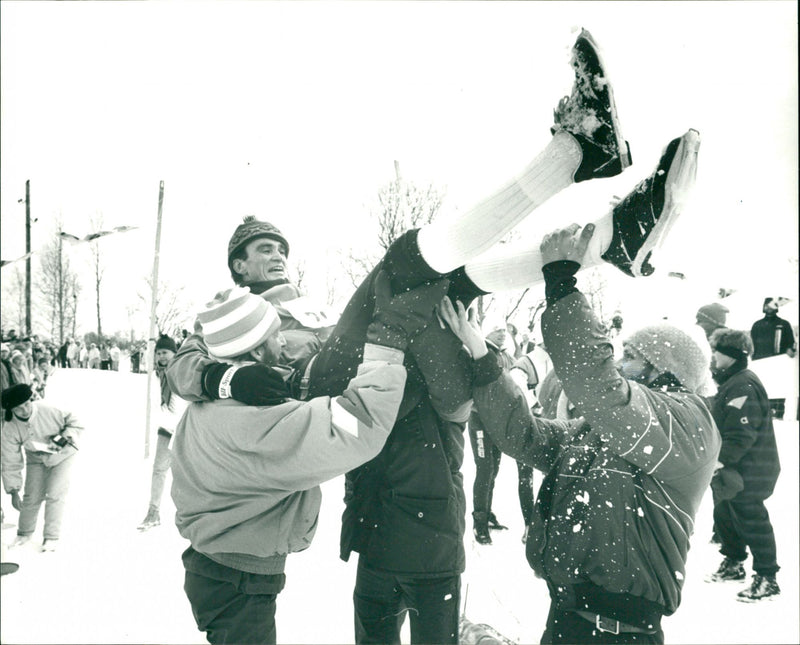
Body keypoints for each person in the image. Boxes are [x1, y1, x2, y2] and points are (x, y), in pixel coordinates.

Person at [167, 30, 701, 644]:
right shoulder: (227, 311)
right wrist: (223, 374)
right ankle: (579, 170)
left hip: (378, 399)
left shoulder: (304, 301)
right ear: (238, 267)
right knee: (405, 264)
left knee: (445, 294)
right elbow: (178, 363)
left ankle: (606, 231)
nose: (277, 258)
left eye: (281, 248)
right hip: (324, 398)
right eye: (263, 251)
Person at [437, 222, 721, 644]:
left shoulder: (686, 425)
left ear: (664, 369)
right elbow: (524, 435)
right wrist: (482, 354)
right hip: (567, 619)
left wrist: (562, 281)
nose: (619, 362)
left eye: (629, 355)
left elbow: (598, 384)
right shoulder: (602, 430)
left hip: (619, 635)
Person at [171, 274, 447, 645]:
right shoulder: (261, 424)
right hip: (238, 580)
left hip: (216, 570)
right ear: (254, 352)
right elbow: (356, 426)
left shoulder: (210, 402)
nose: (284, 340)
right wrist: (385, 349)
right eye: (274, 335)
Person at [706, 328, 781, 601]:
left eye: (717, 350)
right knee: (725, 514)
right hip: (733, 469)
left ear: (731, 354)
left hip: (752, 469)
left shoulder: (743, 385)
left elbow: (740, 434)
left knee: (752, 520)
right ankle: (734, 563)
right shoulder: (731, 382)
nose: (713, 355)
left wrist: (720, 461)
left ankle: (767, 577)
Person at [468, 328, 535, 545]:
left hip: (496, 420)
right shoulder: (478, 350)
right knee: (484, 469)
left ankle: (487, 512)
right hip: (479, 419)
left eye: (505, 331)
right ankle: (479, 522)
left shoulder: (506, 355)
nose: (502, 334)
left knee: (493, 469)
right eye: (498, 330)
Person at [1, 383, 82, 552]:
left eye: (26, 404)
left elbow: (76, 423)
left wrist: (62, 438)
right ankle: (24, 533)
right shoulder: (10, 427)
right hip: (35, 456)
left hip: (62, 455)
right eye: (18, 408)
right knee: (31, 495)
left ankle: (51, 537)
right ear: (11, 411)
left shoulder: (49, 409)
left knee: (54, 493)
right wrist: (13, 490)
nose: (24, 410)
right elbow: (10, 459)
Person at [137, 334, 187, 531]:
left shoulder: (183, 372)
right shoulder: (158, 375)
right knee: (159, 470)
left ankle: (192, 512)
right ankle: (153, 512)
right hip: (166, 427)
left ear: (174, 353)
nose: (161, 357)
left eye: (164, 352)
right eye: (158, 353)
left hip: (185, 429)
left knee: (187, 473)